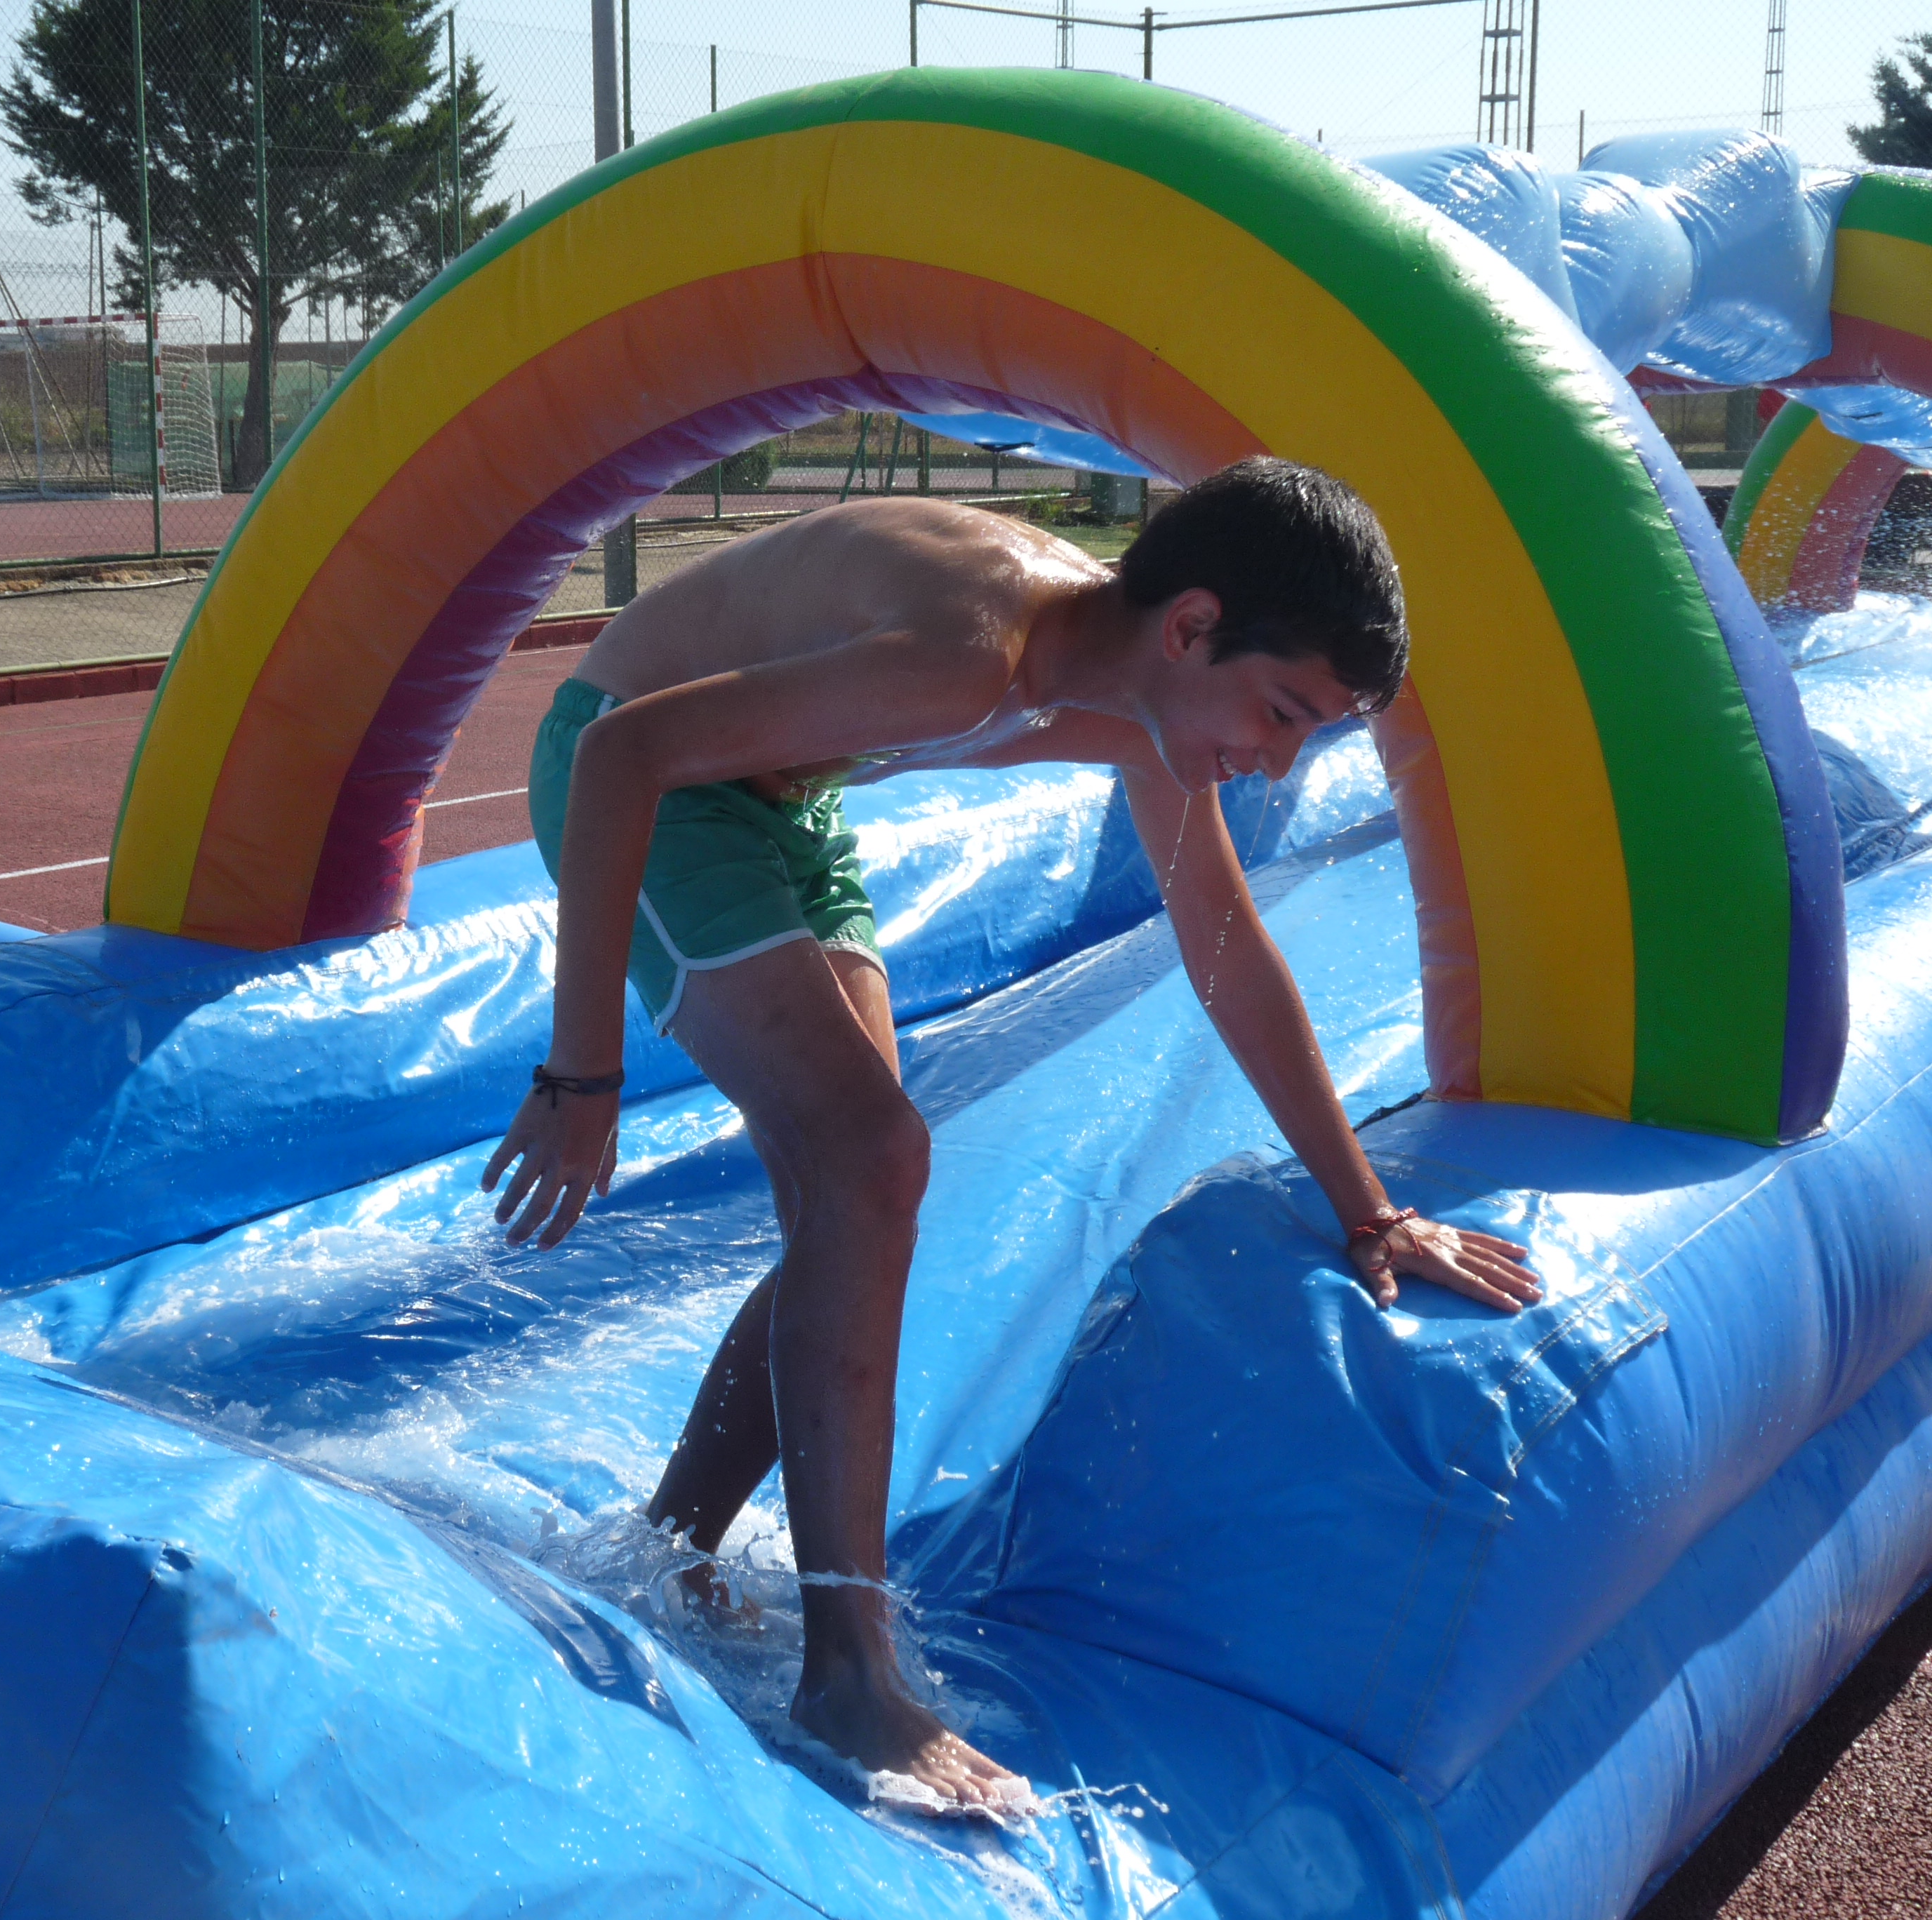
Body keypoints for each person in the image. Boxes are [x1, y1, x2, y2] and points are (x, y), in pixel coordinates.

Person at [482, 456, 1538, 1811]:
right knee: (871, 1156)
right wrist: (581, 1077)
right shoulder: (974, 652)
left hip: (785, 798)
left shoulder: (1134, 700)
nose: (1278, 760)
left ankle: (674, 1545)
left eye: (1310, 736)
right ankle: (849, 1672)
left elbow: (1227, 947)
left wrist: (1370, 1210)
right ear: (1192, 626)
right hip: (641, 770)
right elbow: (625, 753)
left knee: (853, 1197)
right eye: (1282, 714)